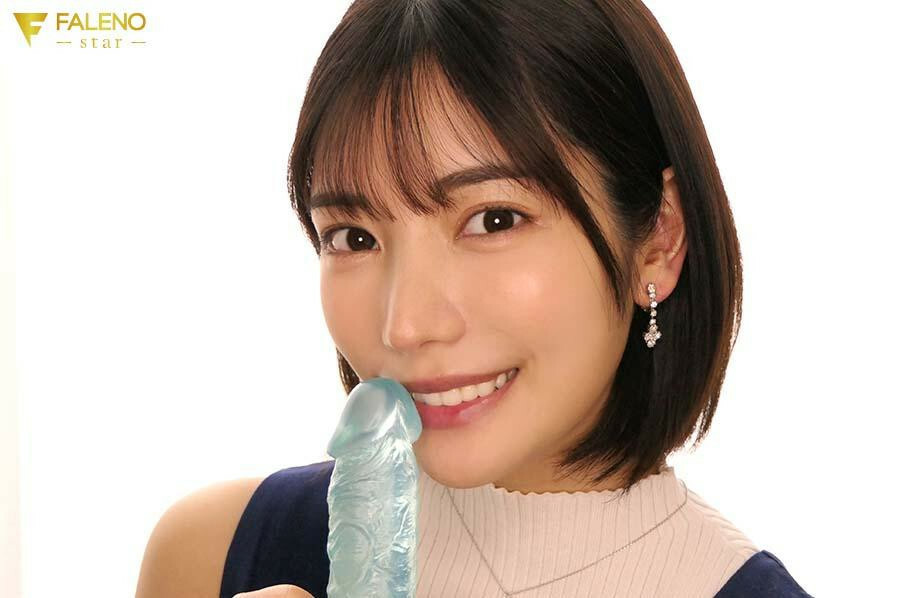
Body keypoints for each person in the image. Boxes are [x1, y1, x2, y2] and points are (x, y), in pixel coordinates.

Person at [136, 1, 813, 596]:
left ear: (659, 238)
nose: (406, 324)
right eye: (354, 236)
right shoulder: (211, 558)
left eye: (493, 219)